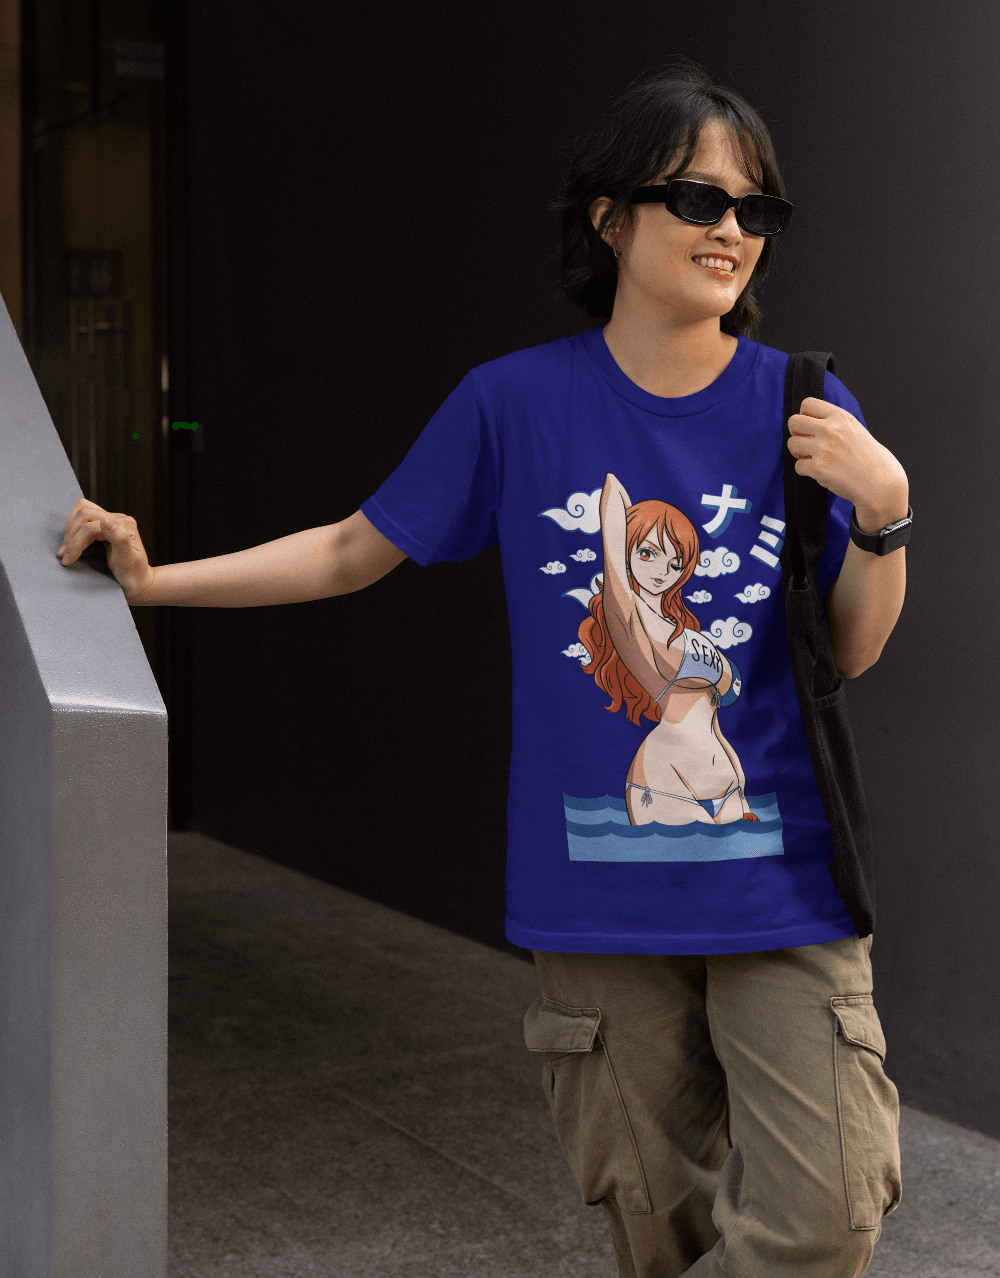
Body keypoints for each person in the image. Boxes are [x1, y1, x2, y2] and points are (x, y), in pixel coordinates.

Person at [58, 60, 906, 1278]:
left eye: (754, 208)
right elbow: (352, 549)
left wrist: (884, 513)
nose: (730, 230)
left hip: (781, 891)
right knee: (656, 1230)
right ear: (608, 217)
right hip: (596, 903)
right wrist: (152, 583)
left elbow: (851, 651)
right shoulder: (513, 403)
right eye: (696, 199)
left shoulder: (805, 406)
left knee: (826, 1213)